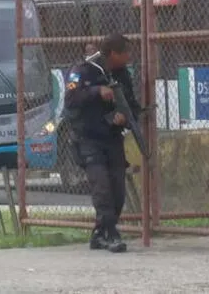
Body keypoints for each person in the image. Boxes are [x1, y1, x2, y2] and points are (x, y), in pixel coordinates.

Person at [63, 33, 141, 253]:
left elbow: (131, 105)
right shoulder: (83, 70)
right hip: (87, 138)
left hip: (112, 138)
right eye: (126, 52)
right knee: (102, 187)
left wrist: (124, 117)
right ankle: (109, 233)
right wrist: (97, 91)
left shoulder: (121, 74)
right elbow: (71, 99)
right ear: (114, 54)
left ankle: (100, 233)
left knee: (117, 190)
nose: (129, 57)